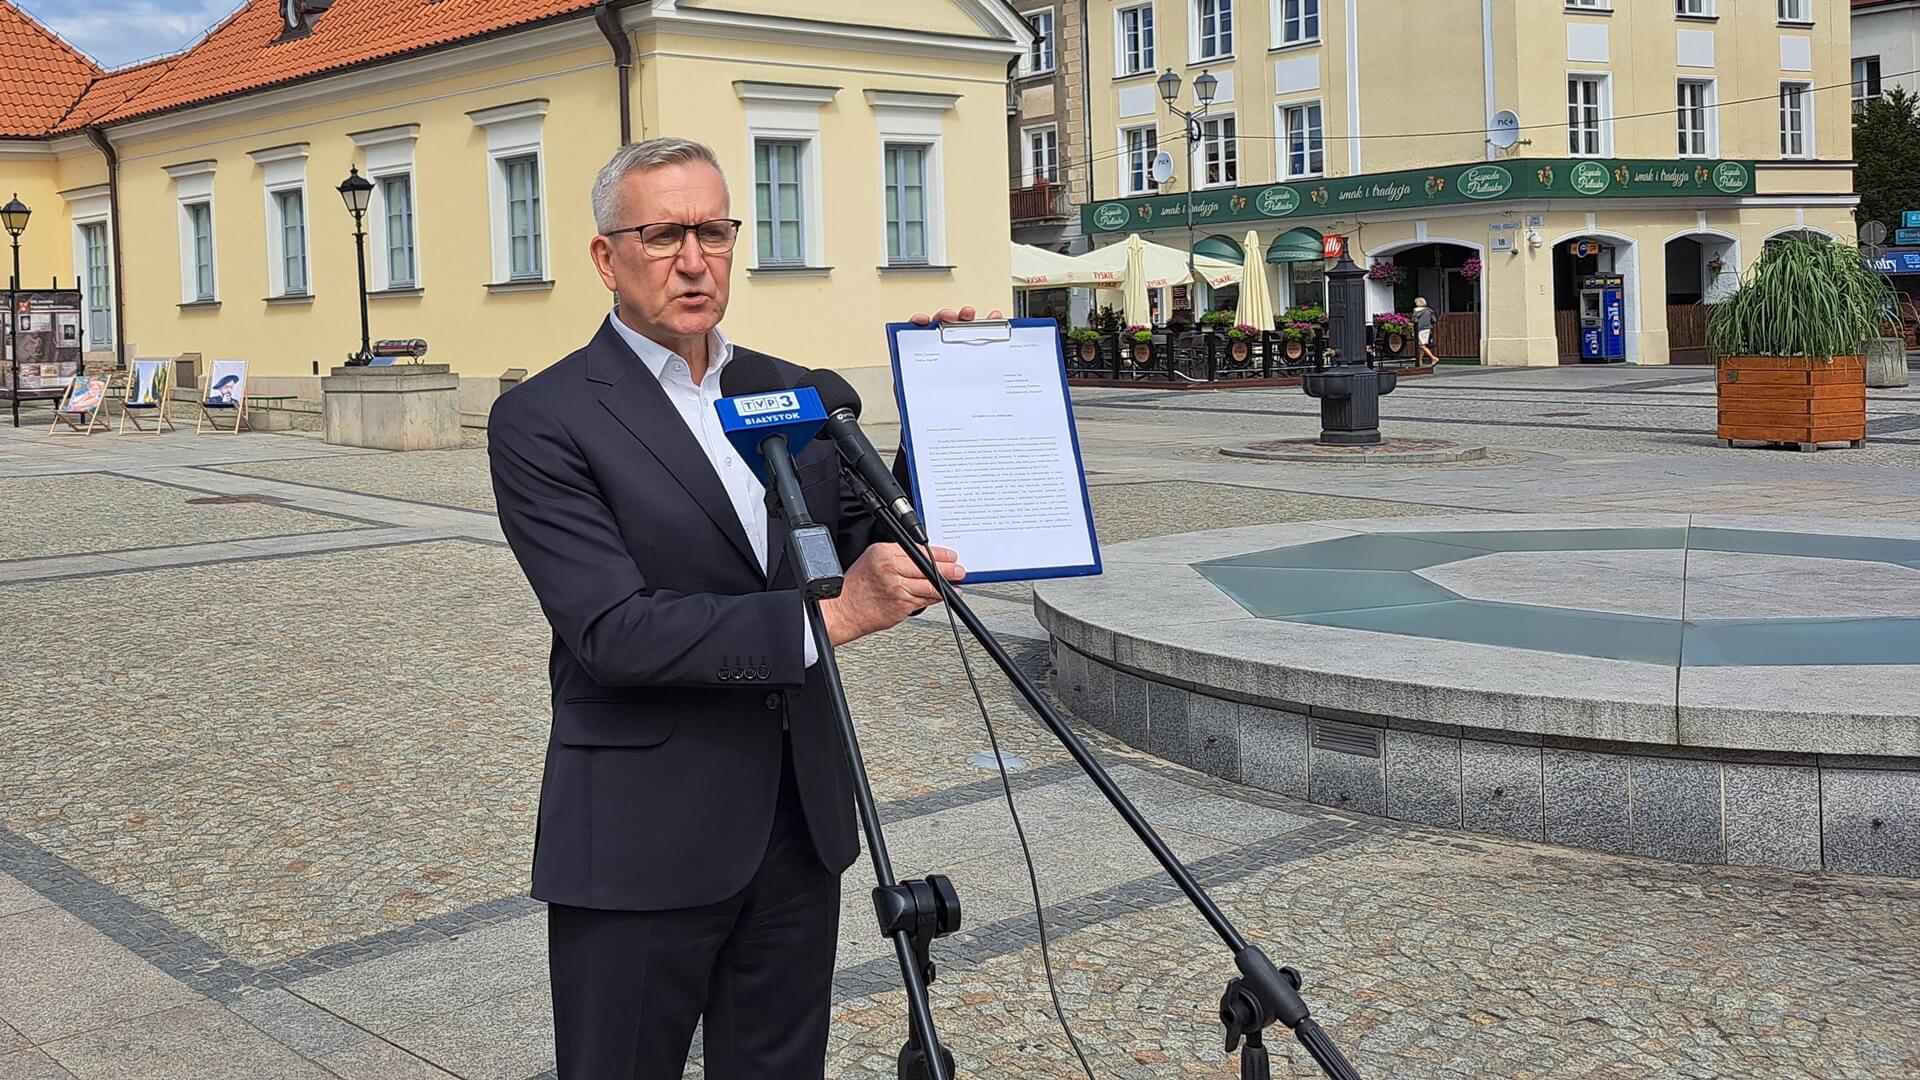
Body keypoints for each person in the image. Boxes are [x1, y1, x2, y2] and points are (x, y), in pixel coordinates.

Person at [487, 137, 983, 1079]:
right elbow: (612, 631)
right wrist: (832, 618)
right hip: (643, 833)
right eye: (662, 234)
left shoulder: (794, 391)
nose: (693, 259)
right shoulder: (546, 418)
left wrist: (949, 406)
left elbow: (876, 544)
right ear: (606, 257)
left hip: (798, 821)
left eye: (713, 232)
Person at [1412, 296, 1439, 364]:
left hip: (1419, 329)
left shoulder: (1416, 310)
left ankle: (1433, 358)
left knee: (1421, 345)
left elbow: (1414, 320)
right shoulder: (1429, 311)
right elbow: (1434, 320)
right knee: (1422, 345)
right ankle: (1420, 360)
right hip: (1427, 329)